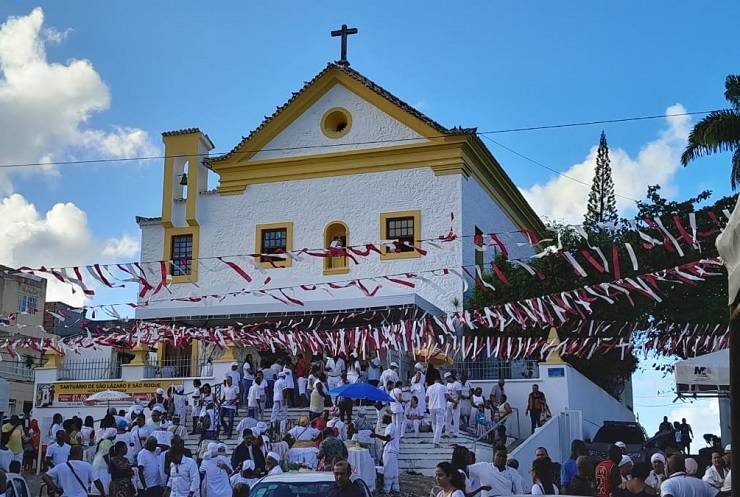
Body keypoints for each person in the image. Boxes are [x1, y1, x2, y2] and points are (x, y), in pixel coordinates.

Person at [371, 414, 400, 495]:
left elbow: (387, 438)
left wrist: (375, 435)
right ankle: (395, 488)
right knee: (394, 470)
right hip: (392, 451)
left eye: (383, 418)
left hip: (390, 451)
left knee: (388, 470)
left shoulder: (391, 426)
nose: (382, 419)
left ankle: (386, 489)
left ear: (388, 418)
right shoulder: (391, 426)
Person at [427, 375, 447, 448]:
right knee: (440, 424)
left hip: (431, 407)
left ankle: (436, 438)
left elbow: (426, 398)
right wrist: (454, 401)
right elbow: (447, 396)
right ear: (440, 380)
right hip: (440, 407)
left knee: (434, 423)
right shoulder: (443, 387)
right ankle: (436, 442)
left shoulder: (429, 388)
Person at [445, 372, 463, 437]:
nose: (446, 380)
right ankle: (447, 432)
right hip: (449, 403)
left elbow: (460, 394)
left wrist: (456, 403)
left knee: (456, 418)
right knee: (447, 418)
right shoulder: (448, 384)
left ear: (450, 377)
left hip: (456, 403)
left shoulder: (457, 384)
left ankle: (456, 433)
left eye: (447, 378)